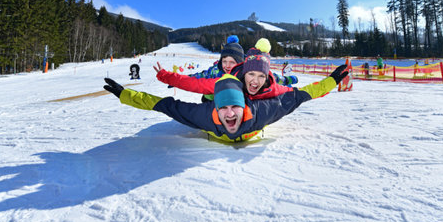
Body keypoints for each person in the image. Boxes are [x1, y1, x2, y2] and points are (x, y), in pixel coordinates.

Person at [103, 64, 348, 142]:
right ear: (216, 109)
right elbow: (166, 105)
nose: (230, 114)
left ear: (245, 106)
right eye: (224, 108)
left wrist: (332, 81)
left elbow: (301, 95)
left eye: (235, 107)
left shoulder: (263, 112)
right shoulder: (204, 115)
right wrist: (127, 95)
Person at [154, 38, 295, 101]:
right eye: (224, 61)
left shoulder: (246, 72)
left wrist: (287, 79)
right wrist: (171, 79)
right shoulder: (215, 71)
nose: (227, 65)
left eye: (232, 62)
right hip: (218, 102)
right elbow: (195, 79)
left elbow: (272, 78)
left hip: (237, 103)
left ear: (240, 63)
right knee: (208, 95)